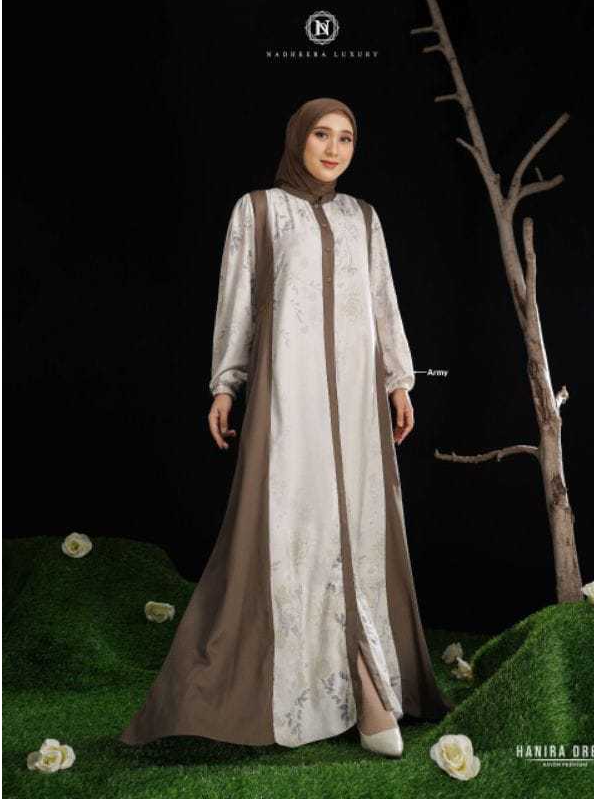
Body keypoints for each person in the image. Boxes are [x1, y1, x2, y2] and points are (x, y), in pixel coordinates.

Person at [118, 97, 452, 758]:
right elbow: (237, 302)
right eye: (321, 135)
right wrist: (226, 383)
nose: (333, 149)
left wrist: (398, 379)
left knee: (358, 527)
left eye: (346, 138)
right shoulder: (259, 211)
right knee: (295, 527)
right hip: (288, 400)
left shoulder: (364, 218)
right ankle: (315, 690)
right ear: (298, 139)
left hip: (357, 401)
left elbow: (382, 302)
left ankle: (369, 685)